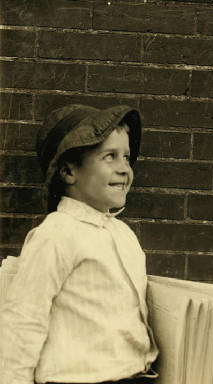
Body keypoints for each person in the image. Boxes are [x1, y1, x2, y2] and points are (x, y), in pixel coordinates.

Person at [0, 104, 159, 384]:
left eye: (126, 157)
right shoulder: (56, 235)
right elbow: (22, 322)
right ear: (68, 172)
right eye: (110, 157)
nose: (124, 169)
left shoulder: (123, 234)